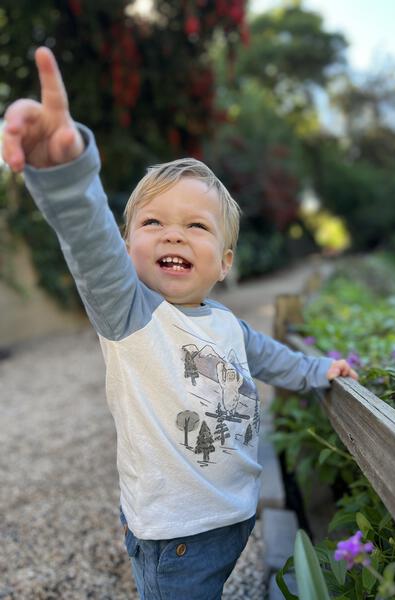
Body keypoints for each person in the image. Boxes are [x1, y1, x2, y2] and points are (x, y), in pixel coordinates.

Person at [2, 47, 358, 600]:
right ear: (125, 246)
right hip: (177, 537)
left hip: (232, 518)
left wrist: (320, 370)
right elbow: (86, 238)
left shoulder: (225, 323)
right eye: (152, 222)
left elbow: (272, 357)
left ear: (225, 260)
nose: (173, 235)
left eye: (196, 225)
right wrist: (66, 176)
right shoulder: (130, 314)